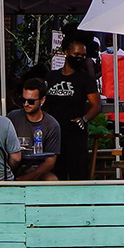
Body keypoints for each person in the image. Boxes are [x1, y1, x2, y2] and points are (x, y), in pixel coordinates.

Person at [43, 32, 101, 180]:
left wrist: (84, 119)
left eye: (83, 55)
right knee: (57, 170)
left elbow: (96, 105)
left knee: (78, 172)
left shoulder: (85, 79)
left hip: (76, 134)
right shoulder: (52, 76)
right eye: (76, 54)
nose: (79, 58)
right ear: (66, 53)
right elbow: (43, 103)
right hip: (54, 134)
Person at [6, 78, 62, 181]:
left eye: (31, 101)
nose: (26, 104)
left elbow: (50, 162)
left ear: (42, 100)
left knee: (51, 180)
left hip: (37, 171)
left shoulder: (52, 125)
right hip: (12, 168)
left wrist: (25, 178)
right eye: (23, 100)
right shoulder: (12, 118)